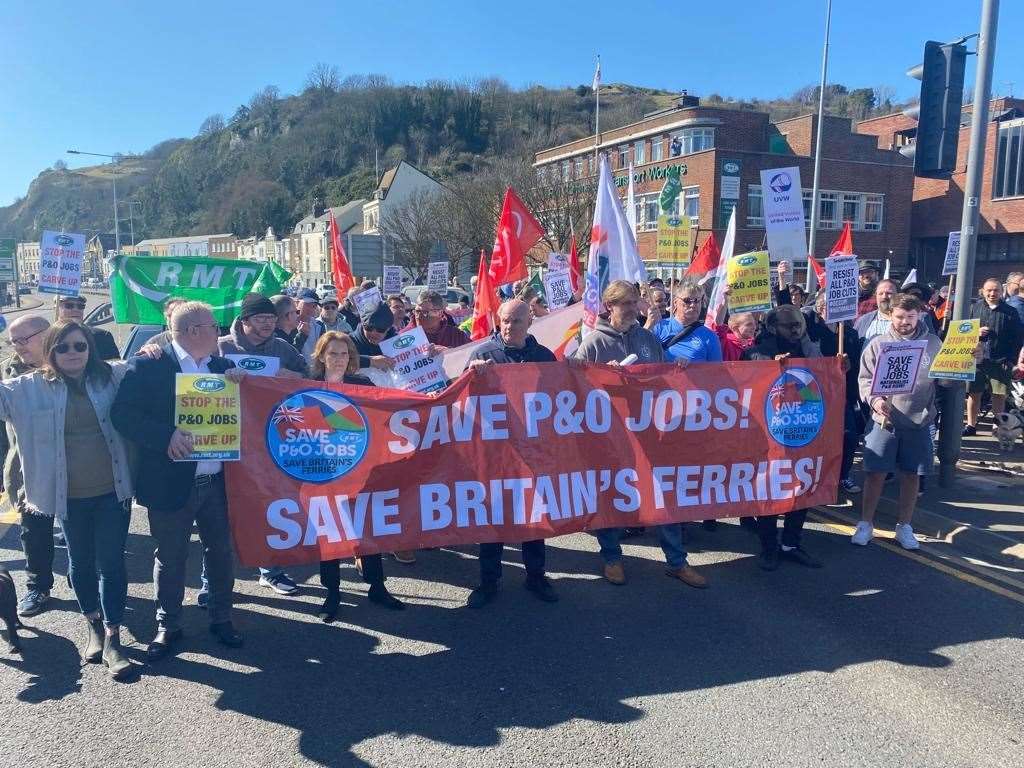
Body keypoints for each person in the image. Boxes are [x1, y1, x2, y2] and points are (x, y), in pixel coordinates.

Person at [0, 321, 135, 679]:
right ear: (51, 352)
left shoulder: (112, 376)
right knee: (80, 562)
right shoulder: (26, 389)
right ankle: (92, 623)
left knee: (111, 562)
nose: (72, 354)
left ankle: (113, 636)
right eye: (63, 348)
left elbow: (161, 365)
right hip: (67, 497)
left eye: (79, 346)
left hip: (112, 491)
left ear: (90, 348)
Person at [112, 301, 244, 660]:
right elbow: (122, 415)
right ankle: (167, 624)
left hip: (216, 483)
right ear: (192, 332)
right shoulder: (148, 366)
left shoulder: (222, 367)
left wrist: (239, 384)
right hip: (169, 482)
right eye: (215, 326)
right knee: (171, 557)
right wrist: (166, 435)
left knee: (221, 553)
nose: (220, 332)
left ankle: (221, 617)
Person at [573, 280, 707, 589]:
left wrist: (678, 368)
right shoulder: (593, 343)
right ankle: (612, 558)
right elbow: (575, 388)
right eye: (626, 304)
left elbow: (662, 379)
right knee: (611, 496)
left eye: (635, 302)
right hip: (610, 435)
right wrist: (598, 374)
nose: (634, 308)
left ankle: (677, 562)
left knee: (663, 494)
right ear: (610, 307)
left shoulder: (648, 339)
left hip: (650, 433)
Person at [463, 300, 559, 607]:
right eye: (504, 321)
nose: (508, 327)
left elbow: (559, 396)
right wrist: (470, 375)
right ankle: (488, 581)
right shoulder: (482, 355)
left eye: (515, 321)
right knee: (493, 518)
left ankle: (536, 576)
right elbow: (462, 400)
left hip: (532, 451)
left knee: (534, 514)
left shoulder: (544, 357)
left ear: (529, 322)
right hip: (496, 454)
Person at [309, 331, 404, 621]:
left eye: (344, 354)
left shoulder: (362, 385)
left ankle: (377, 586)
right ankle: (333, 592)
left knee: (366, 528)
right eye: (333, 353)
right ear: (322, 356)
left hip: (361, 472)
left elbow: (386, 416)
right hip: (323, 474)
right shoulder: (307, 388)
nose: (339, 360)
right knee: (330, 534)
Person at [855, 294, 963, 550]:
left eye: (910, 316)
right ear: (891, 315)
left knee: (911, 475)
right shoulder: (877, 344)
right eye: (900, 316)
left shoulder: (934, 343)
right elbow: (864, 380)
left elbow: (947, 382)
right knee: (875, 474)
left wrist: (964, 363)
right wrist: (875, 401)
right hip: (884, 420)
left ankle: (904, 526)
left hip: (919, 421)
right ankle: (865, 523)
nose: (905, 321)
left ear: (919, 316)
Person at [217, 293, 305, 597]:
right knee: (220, 514)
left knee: (267, 504)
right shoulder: (221, 347)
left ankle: (271, 571)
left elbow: (308, 376)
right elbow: (191, 370)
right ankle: (211, 583)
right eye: (260, 319)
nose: (268, 323)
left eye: (271, 318)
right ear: (245, 321)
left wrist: (286, 375)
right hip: (227, 438)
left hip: (270, 437)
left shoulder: (282, 348)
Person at [743, 305, 824, 570]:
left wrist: (838, 366)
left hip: (802, 431)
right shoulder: (755, 351)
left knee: (801, 487)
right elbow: (742, 383)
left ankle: (791, 543)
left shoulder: (809, 349)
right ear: (772, 327)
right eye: (788, 325)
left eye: (798, 324)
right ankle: (769, 547)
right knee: (768, 490)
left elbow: (825, 378)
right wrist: (768, 366)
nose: (795, 329)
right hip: (767, 436)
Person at [2, 316, 54, 617]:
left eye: (24, 339)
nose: (18, 347)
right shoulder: (8, 371)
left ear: (47, 335)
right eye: (13, 341)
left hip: (74, 466)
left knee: (79, 532)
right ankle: (38, 586)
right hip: (27, 468)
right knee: (33, 531)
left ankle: (84, 583)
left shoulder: (74, 360)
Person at [806, 293, 864, 494]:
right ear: (821, 309)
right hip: (812, 393)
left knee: (849, 436)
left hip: (840, 394)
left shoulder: (849, 333)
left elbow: (856, 366)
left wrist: (847, 364)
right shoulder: (810, 327)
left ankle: (843, 475)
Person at [965, 277, 1024, 435]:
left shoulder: (1010, 311)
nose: (992, 293)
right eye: (989, 290)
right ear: (983, 291)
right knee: (974, 393)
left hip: (1000, 359)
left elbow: (1017, 338)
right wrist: (975, 332)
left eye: (996, 290)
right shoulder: (974, 308)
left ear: (1001, 291)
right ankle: (971, 425)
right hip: (976, 358)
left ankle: (997, 426)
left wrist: (1011, 360)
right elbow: (963, 330)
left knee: (999, 395)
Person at [651, 280, 722, 364]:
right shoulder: (658, 327)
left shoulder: (710, 336)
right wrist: (669, 363)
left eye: (697, 300)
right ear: (675, 302)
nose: (693, 305)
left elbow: (717, 372)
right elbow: (645, 359)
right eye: (687, 300)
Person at [54, 295, 119, 359]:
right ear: (56, 308)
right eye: (69, 306)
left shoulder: (102, 337)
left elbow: (113, 367)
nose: (76, 309)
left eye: (80, 306)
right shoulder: (48, 337)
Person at [295, 288, 326, 360]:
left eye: (314, 306)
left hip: (313, 369)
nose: (310, 308)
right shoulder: (288, 323)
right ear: (297, 303)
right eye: (307, 304)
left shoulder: (319, 326)